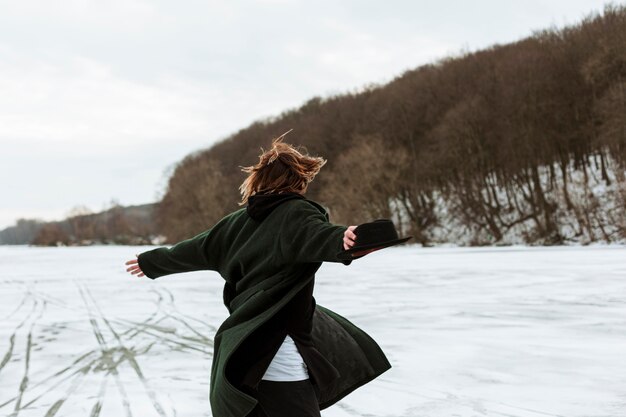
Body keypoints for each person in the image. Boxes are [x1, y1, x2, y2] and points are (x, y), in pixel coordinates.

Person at [125, 132, 391, 417]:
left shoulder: (234, 224)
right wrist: (345, 241)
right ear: (298, 181)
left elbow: (192, 250)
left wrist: (152, 261)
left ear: (259, 181)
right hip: (278, 348)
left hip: (244, 347)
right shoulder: (296, 214)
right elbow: (319, 235)